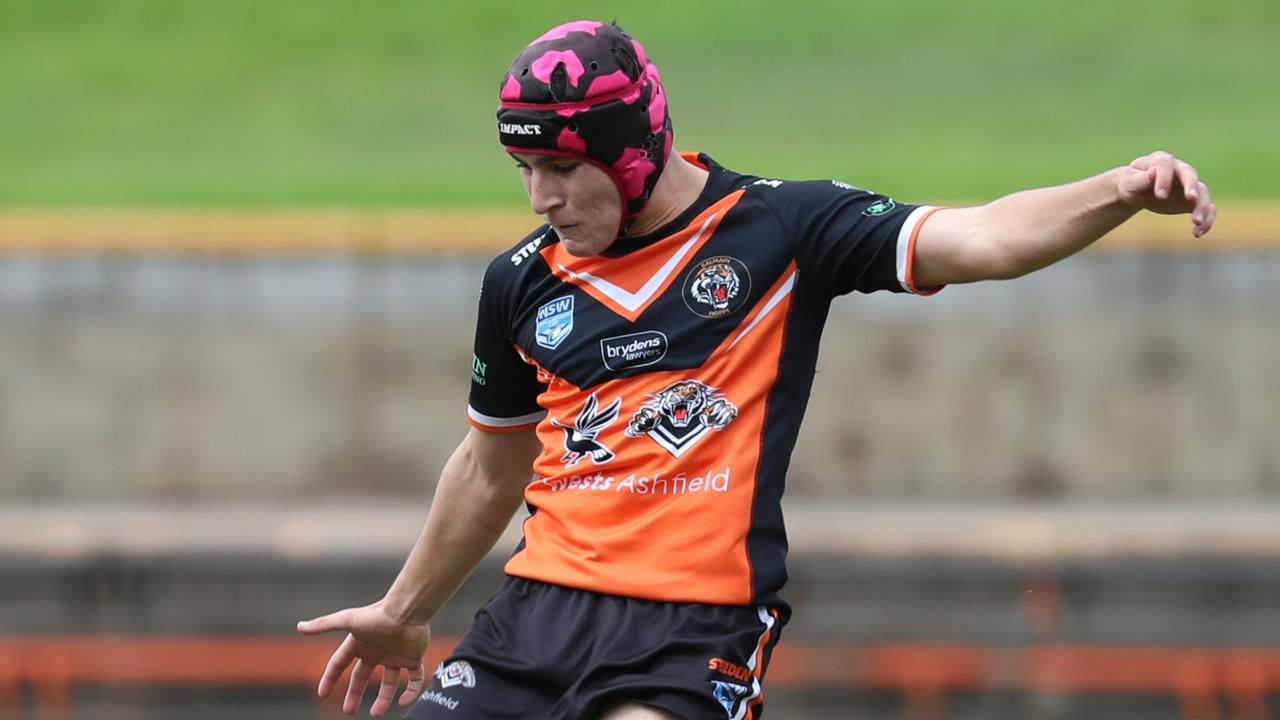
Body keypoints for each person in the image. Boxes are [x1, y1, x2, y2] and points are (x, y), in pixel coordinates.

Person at [296, 19, 1216, 720]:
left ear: (631, 148)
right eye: (524, 168)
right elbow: (486, 467)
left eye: (564, 168)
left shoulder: (781, 230)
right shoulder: (522, 281)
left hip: (692, 631)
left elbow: (983, 238)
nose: (543, 196)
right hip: (532, 615)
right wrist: (405, 608)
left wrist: (1120, 189)